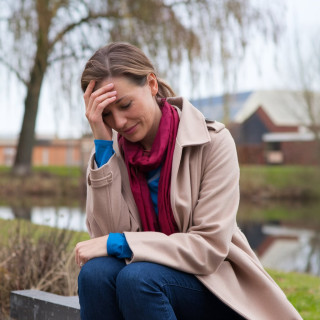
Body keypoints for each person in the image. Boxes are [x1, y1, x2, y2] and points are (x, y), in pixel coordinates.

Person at [75, 42, 302, 320]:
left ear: (151, 84)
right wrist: (101, 141)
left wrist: (119, 242)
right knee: (95, 274)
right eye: (107, 114)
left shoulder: (213, 142)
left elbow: (207, 248)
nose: (119, 122)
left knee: (138, 278)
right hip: (148, 283)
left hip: (214, 286)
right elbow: (106, 238)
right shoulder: (113, 155)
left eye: (125, 104)